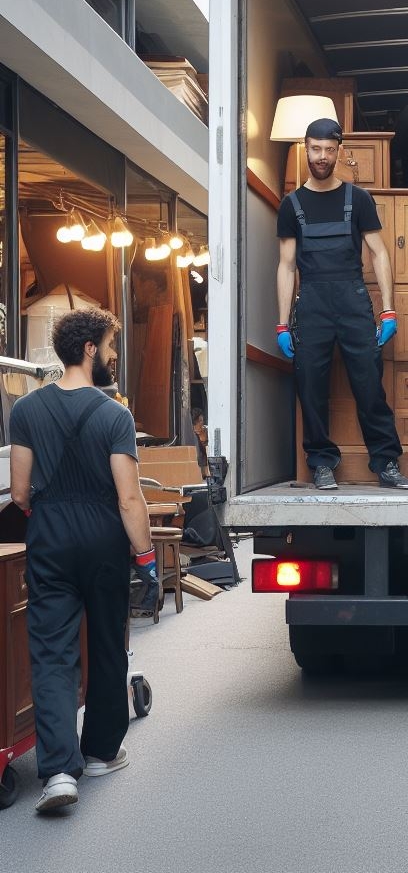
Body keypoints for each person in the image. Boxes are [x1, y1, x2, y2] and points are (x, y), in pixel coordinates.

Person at [9, 307, 156, 814]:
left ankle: (57, 775)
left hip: (49, 535)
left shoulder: (25, 412)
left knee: (51, 652)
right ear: (91, 349)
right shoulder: (115, 415)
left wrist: (50, 511)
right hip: (103, 536)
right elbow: (129, 499)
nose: (113, 354)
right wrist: (146, 559)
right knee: (108, 642)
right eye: (111, 344)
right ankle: (100, 753)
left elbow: (21, 491)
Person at [276, 117, 408, 490]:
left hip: (353, 301)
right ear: (306, 149)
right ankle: (321, 462)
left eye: (329, 150)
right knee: (311, 387)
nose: (322, 156)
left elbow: (380, 253)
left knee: (369, 385)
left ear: (339, 151)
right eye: (315, 149)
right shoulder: (292, 205)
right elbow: (287, 266)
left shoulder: (360, 199)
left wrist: (388, 309)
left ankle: (386, 462)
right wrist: (282, 323)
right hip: (313, 304)